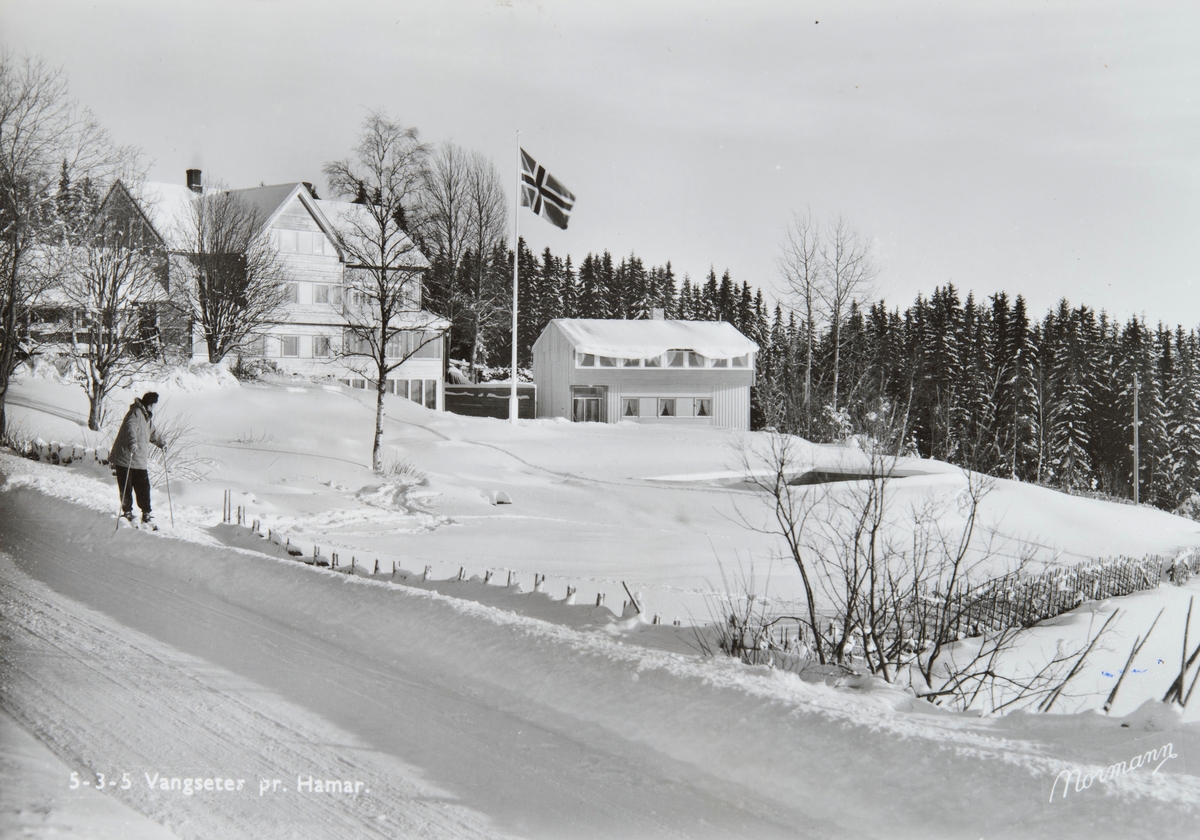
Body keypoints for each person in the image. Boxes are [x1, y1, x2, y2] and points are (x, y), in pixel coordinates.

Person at [109, 391, 166, 525]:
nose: (154, 407)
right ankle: (127, 511)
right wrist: (132, 442)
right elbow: (130, 428)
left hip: (139, 460)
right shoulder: (135, 413)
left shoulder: (146, 418)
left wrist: (162, 443)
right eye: (154, 404)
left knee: (144, 487)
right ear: (150, 404)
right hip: (126, 458)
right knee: (126, 488)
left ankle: (146, 513)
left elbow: (152, 433)